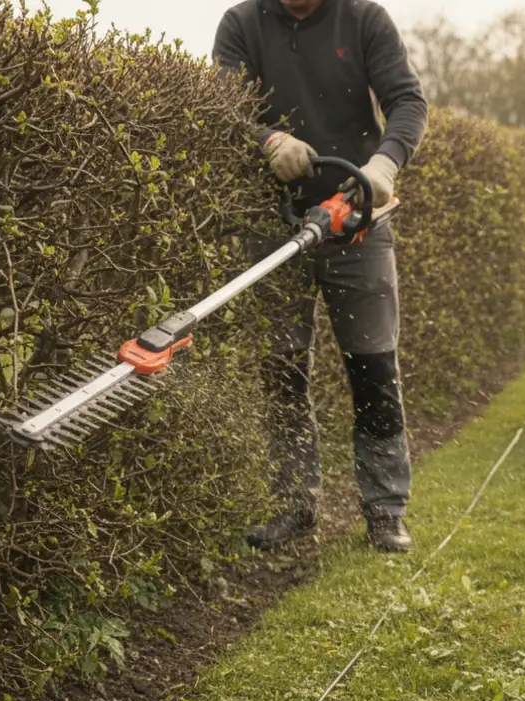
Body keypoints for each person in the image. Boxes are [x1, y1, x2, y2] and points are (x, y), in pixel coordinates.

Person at [212, 0, 428, 553]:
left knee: (373, 367)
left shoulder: (364, 20)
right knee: (281, 368)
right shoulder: (242, 24)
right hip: (273, 223)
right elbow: (220, 106)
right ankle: (294, 503)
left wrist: (384, 165)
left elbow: (406, 100)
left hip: (356, 219)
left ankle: (385, 510)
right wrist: (268, 140)